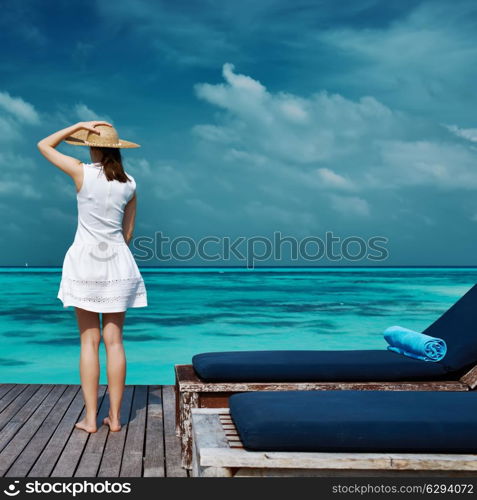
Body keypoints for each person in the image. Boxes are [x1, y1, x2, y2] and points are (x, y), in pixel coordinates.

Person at [37, 121, 148, 433]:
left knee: (89, 340)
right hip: (117, 262)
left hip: (85, 261)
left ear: (92, 146)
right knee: (114, 341)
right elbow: (127, 234)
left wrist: (78, 125)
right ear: (117, 148)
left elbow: (43, 145)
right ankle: (115, 417)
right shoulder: (130, 183)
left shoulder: (80, 171)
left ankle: (90, 418)